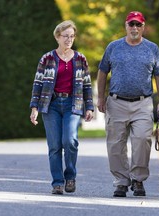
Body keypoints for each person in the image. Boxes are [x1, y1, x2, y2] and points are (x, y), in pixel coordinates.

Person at [97, 11, 159, 197]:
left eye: (138, 25)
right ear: (125, 26)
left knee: (142, 140)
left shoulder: (152, 49)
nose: (134, 28)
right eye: (131, 24)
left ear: (143, 27)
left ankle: (138, 180)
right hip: (116, 101)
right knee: (115, 143)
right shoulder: (113, 47)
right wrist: (101, 98)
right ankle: (121, 181)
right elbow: (102, 72)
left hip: (143, 103)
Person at [29, 20, 94, 195]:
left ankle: (70, 177)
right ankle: (57, 183)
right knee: (55, 146)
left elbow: (87, 85)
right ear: (57, 37)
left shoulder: (80, 59)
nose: (69, 40)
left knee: (70, 141)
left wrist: (90, 107)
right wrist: (34, 107)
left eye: (72, 36)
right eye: (66, 36)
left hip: (73, 104)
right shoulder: (47, 58)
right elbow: (38, 84)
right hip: (51, 106)